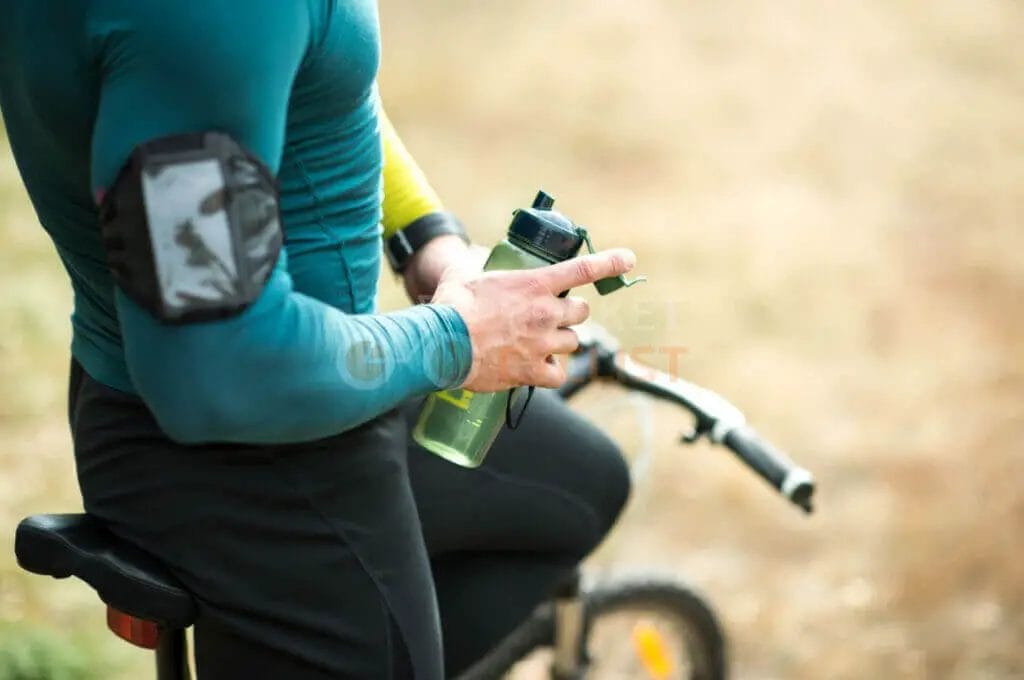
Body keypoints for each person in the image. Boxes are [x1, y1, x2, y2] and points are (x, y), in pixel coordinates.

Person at [0, 2, 635, 678]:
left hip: (327, 382)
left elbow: (323, 79)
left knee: (579, 486)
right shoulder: (210, 16)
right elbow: (218, 368)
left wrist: (430, 242)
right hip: (255, 461)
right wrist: (458, 337)